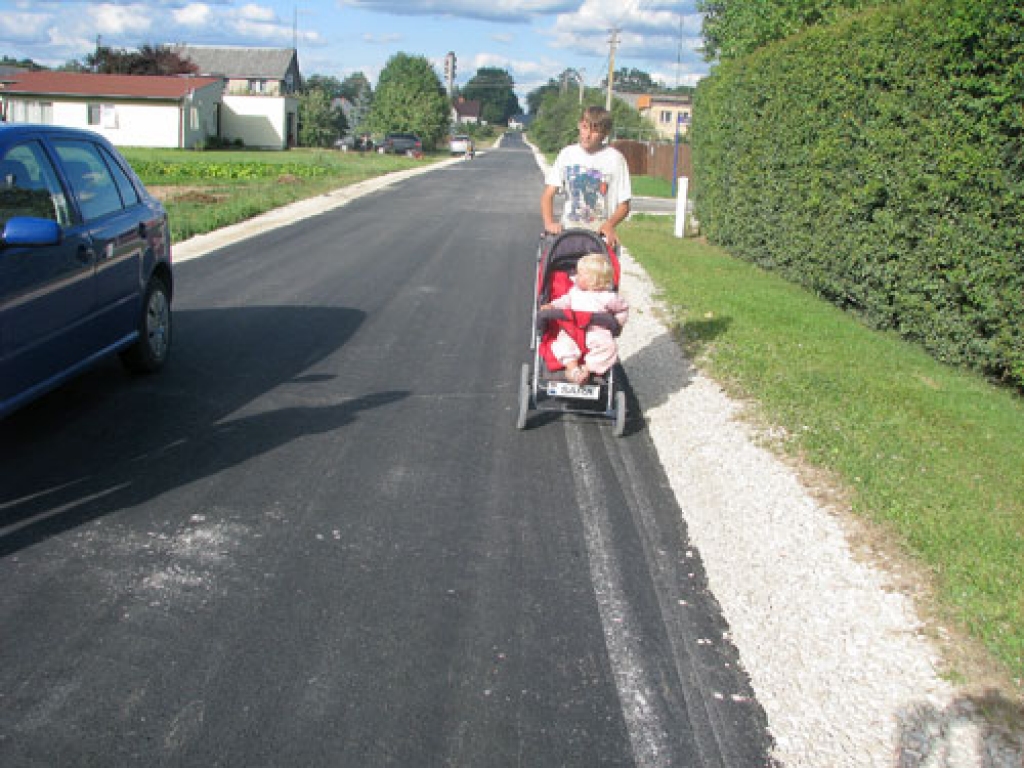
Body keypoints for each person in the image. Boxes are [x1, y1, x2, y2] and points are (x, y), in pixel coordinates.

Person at [541, 106, 632, 248]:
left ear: (605, 133)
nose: (587, 135)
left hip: (599, 237)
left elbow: (624, 206)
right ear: (579, 125)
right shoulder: (567, 154)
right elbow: (548, 194)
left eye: (595, 131)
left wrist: (609, 225)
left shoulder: (615, 159)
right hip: (569, 233)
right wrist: (549, 223)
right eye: (585, 127)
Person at [541, 252, 629, 385]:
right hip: (573, 330)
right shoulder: (575, 292)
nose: (575, 277)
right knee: (562, 344)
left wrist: (618, 323)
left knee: (609, 348)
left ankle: (586, 368)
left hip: (597, 331)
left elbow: (622, 309)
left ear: (593, 280)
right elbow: (565, 301)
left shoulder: (608, 297)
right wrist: (552, 306)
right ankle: (573, 369)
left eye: (580, 274)